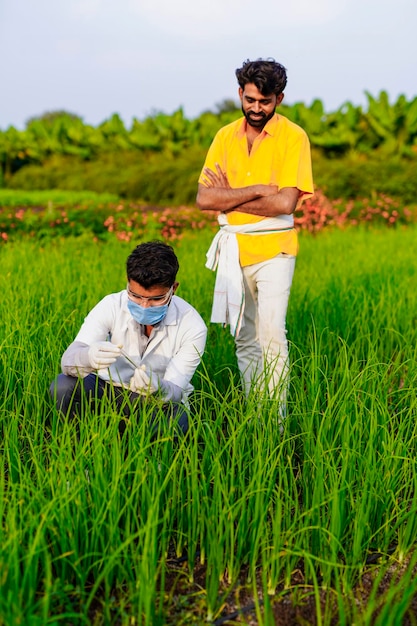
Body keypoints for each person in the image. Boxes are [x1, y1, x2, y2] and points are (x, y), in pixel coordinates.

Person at [196, 58, 314, 416]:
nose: (256, 109)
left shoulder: (293, 137)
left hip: (274, 249)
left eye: (265, 102)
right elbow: (204, 199)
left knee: (272, 336)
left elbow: (286, 203)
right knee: (244, 338)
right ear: (240, 94)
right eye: (250, 100)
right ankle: (256, 414)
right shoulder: (224, 136)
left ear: (279, 98)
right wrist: (257, 190)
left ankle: (275, 422)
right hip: (234, 249)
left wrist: (231, 196)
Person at [50, 241, 207, 436]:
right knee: (64, 386)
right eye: (135, 296)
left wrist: (157, 388)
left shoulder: (192, 326)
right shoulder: (111, 305)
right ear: (127, 282)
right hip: (109, 390)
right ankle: (76, 448)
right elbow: (68, 360)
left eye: (156, 299)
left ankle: (154, 461)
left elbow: (175, 391)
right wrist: (87, 357)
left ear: (173, 288)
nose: (144, 306)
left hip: (153, 401)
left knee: (176, 416)